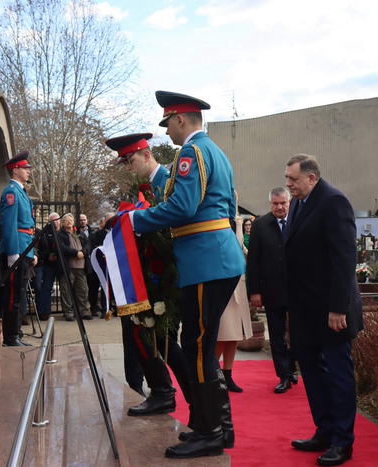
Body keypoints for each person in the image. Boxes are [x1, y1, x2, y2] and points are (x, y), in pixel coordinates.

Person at [130, 91, 245, 459]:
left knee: (197, 347)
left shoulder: (191, 153)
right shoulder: (214, 151)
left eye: (168, 124)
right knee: (201, 345)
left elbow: (182, 207)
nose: (167, 132)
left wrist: (135, 219)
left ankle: (210, 432)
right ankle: (216, 426)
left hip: (205, 261)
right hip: (213, 258)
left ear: (180, 119)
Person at [104, 132, 192, 417]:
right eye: (125, 164)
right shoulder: (142, 187)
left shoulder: (168, 181)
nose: (129, 168)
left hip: (169, 273)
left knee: (165, 339)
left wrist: (134, 222)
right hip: (147, 273)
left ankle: (194, 398)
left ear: (146, 154)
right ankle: (162, 391)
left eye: (130, 161)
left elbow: (174, 220)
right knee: (144, 334)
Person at [284, 154, 363, 466]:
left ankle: (343, 441)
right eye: (287, 178)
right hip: (304, 309)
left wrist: (338, 308)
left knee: (338, 374)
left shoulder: (333, 202)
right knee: (313, 373)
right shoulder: (298, 203)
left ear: (311, 177)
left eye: (293, 179)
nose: (288, 184)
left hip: (331, 310)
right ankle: (325, 430)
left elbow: (344, 258)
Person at [247, 187, 297, 394]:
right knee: (276, 335)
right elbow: (253, 261)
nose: (280, 207)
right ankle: (283, 375)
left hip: (298, 290)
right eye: (275, 204)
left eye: (283, 203)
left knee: (298, 333)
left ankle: (291, 366)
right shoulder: (260, 225)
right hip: (272, 290)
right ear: (270, 204)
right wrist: (254, 291)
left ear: (289, 202)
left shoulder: (298, 221)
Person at [0, 151, 38, 346]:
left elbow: (28, 226)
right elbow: (9, 224)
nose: (28, 171)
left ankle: (17, 333)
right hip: (18, 249)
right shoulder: (11, 192)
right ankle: (11, 337)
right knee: (14, 294)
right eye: (25, 168)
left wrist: (31, 252)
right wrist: (13, 252)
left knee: (20, 293)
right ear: (15, 170)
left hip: (25, 248)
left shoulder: (21, 192)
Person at [215, 215, 253, 393]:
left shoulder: (236, 222)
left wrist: (238, 224)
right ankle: (212, 373)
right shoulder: (216, 223)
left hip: (239, 284)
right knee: (223, 334)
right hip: (221, 286)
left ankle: (228, 374)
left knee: (235, 335)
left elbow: (241, 248)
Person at [57, 213, 92, 320]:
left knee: (83, 290)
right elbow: (61, 247)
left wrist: (83, 252)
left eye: (71, 220)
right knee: (66, 291)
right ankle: (68, 312)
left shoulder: (80, 233)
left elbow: (88, 245)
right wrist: (76, 253)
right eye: (67, 220)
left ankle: (84, 311)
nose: (69, 222)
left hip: (81, 266)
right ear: (62, 222)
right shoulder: (60, 234)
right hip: (67, 267)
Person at [35, 212, 61, 320]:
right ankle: (44, 311)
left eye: (57, 220)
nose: (56, 222)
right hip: (47, 264)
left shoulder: (61, 232)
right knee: (46, 288)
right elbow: (42, 248)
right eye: (54, 220)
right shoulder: (45, 233)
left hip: (59, 264)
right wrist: (47, 256)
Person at [79, 214, 102, 316]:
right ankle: (83, 309)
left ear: (87, 220)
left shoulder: (93, 232)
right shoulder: (75, 232)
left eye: (84, 219)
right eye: (81, 220)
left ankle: (93, 307)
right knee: (82, 287)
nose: (83, 221)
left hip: (93, 262)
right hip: (81, 261)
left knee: (94, 286)